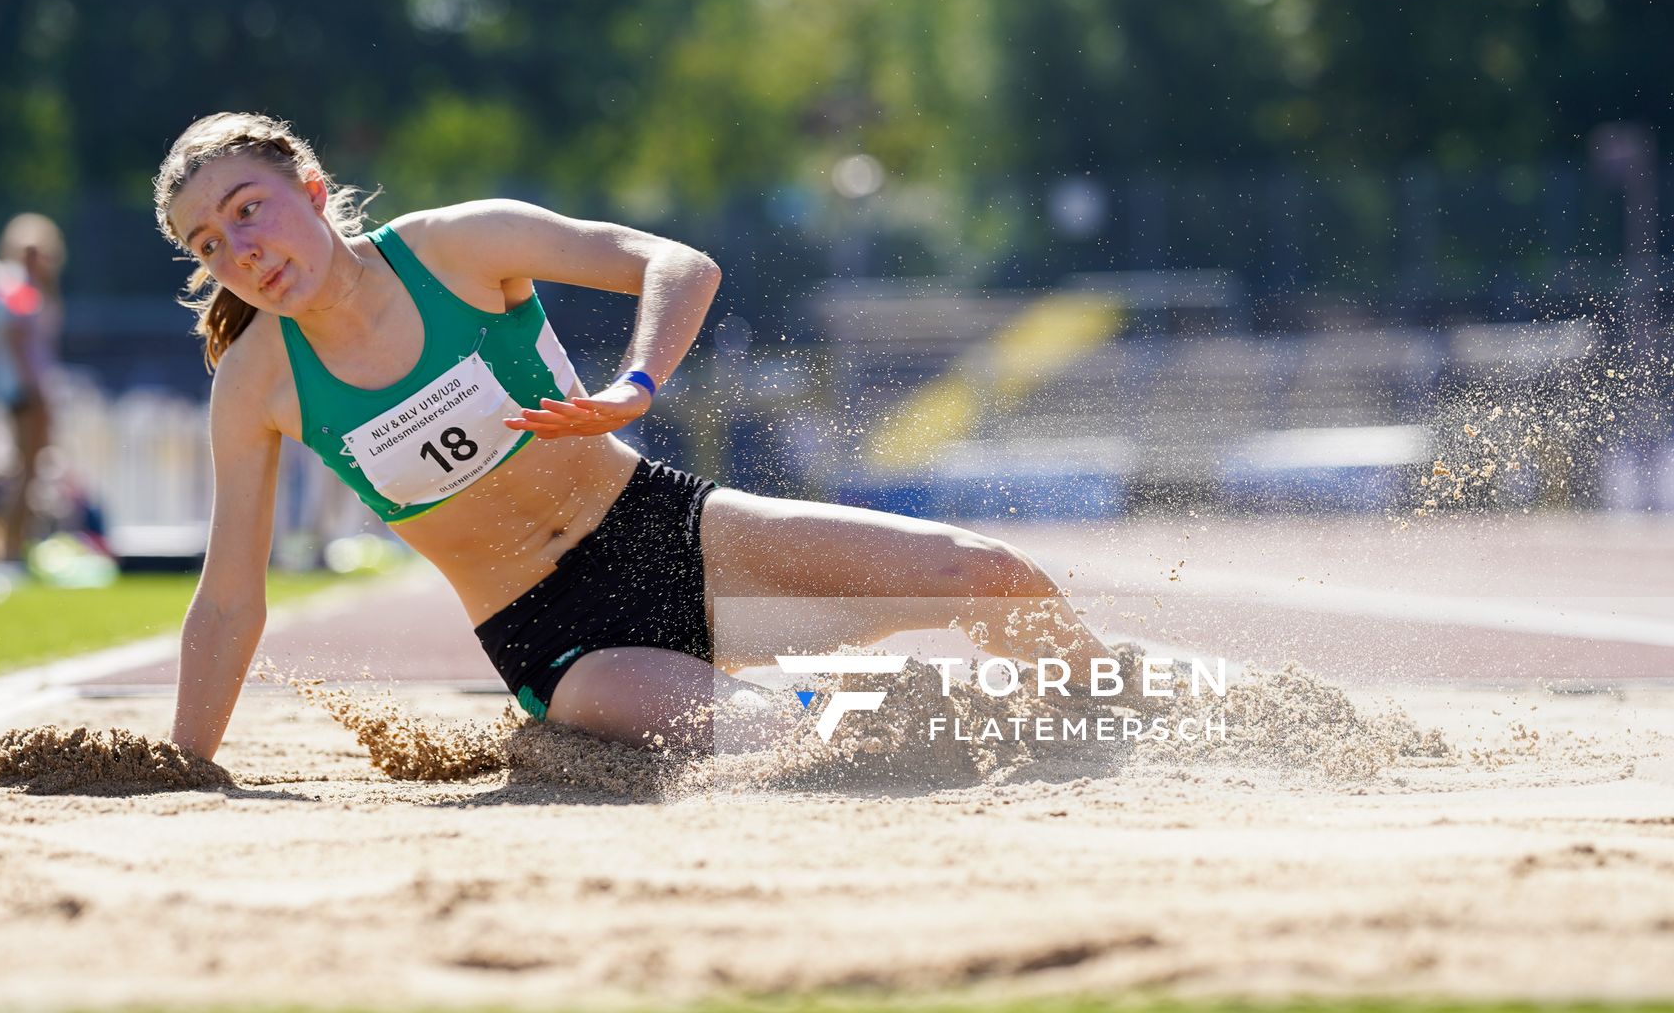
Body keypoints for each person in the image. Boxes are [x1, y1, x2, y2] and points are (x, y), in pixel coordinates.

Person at [156, 113, 1122, 759]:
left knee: (989, 574)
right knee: (794, 738)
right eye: (209, 243)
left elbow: (675, 263)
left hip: (672, 531)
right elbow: (231, 596)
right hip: (561, 642)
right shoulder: (256, 386)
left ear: (314, 192)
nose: (240, 247)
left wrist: (635, 382)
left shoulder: (459, 245)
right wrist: (187, 766)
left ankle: (1122, 723)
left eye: (250, 210)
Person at [0, 213, 65, 563]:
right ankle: (4, 547)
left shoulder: (7, 282)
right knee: (24, 474)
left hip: (15, 387)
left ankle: (9, 544)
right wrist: (33, 388)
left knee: (26, 473)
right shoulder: (16, 285)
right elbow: (17, 339)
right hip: (23, 391)